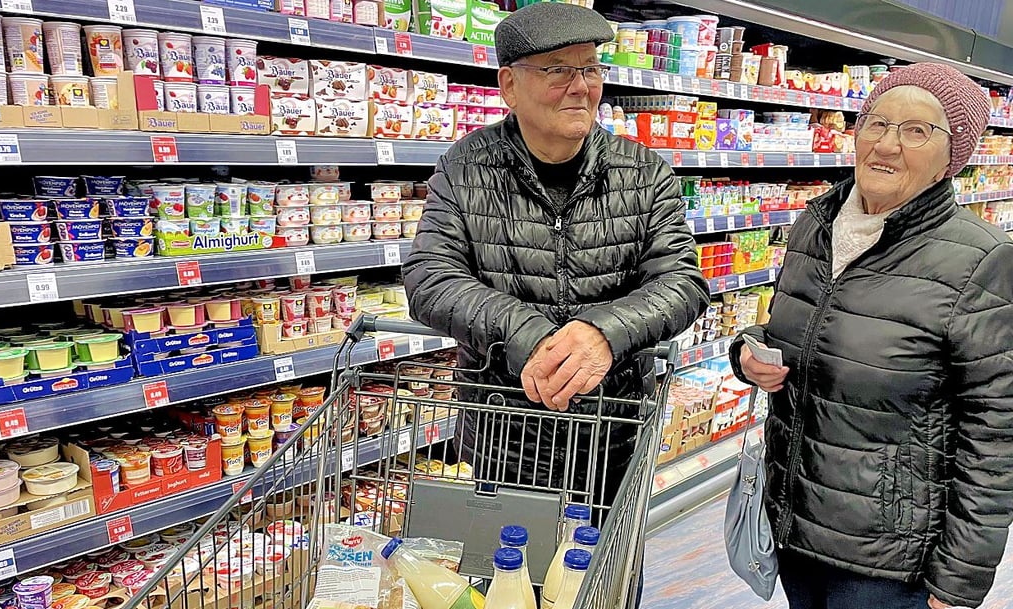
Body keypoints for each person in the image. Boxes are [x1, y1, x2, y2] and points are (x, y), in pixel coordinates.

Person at [402, 1, 709, 509]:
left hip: (612, 438)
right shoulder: (466, 167)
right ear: (509, 86)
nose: (580, 86)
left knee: (605, 561)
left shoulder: (644, 173)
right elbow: (429, 278)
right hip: (504, 439)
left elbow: (682, 283)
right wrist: (524, 332)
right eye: (558, 70)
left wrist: (604, 332)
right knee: (504, 559)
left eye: (590, 69)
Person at [730, 63, 1013, 609]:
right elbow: (805, 329)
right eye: (877, 123)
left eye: (916, 130)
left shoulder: (983, 260)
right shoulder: (815, 225)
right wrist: (749, 353)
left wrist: (960, 580)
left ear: (950, 159)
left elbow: (996, 434)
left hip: (888, 561)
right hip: (795, 527)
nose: (886, 144)